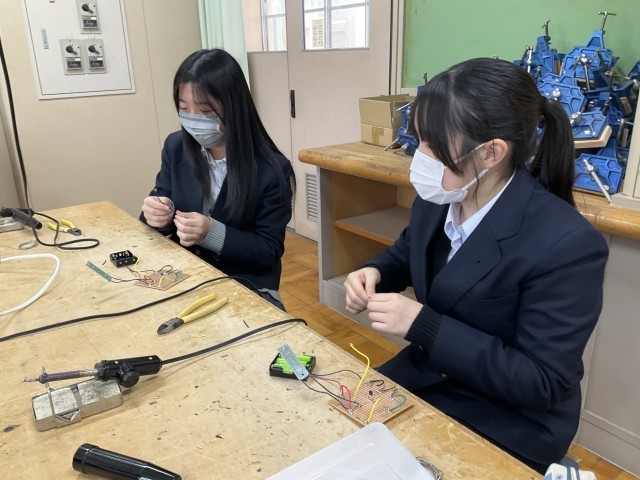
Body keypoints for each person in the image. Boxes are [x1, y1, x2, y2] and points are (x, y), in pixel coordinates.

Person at [344, 58, 608, 472]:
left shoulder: (568, 244)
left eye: (432, 146)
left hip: (509, 415)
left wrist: (422, 325)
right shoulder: (443, 197)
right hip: (432, 375)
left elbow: (542, 381)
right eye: (417, 141)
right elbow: (407, 253)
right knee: (340, 436)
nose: (419, 158)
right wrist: (375, 271)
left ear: (491, 153)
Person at [140, 49, 294, 310]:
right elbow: (161, 201)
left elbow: (268, 251)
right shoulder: (176, 147)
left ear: (233, 107)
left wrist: (211, 233)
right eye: (184, 108)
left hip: (245, 283)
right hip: (187, 275)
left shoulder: (272, 170)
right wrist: (157, 215)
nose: (192, 118)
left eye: (204, 109)